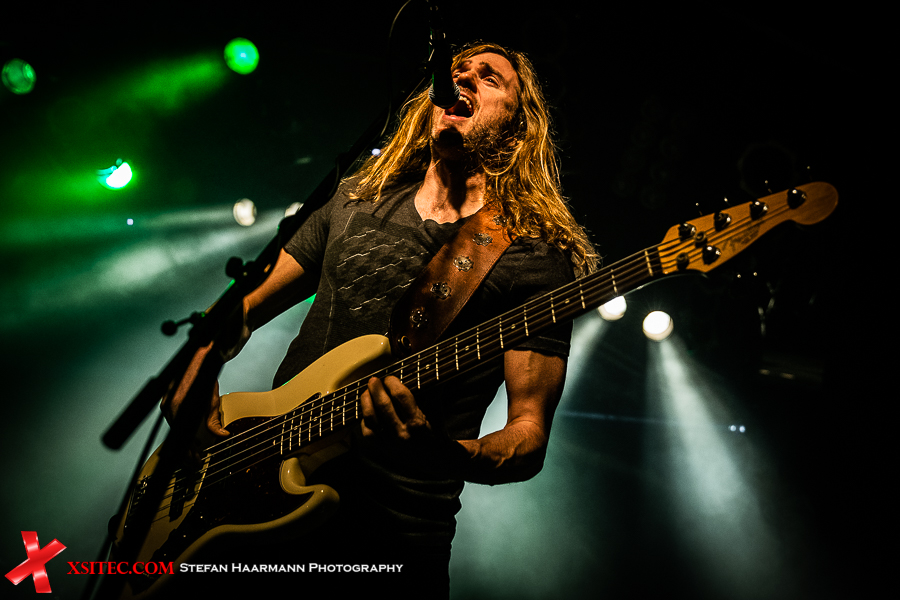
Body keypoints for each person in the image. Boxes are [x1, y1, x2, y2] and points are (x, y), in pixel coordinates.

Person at [162, 41, 596, 597]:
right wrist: (197, 363)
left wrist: (443, 453)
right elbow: (240, 306)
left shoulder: (533, 257)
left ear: (518, 127)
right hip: (257, 497)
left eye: (490, 78)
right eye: (458, 70)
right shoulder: (355, 198)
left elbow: (528, 435)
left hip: (394, 540)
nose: (463, 78)